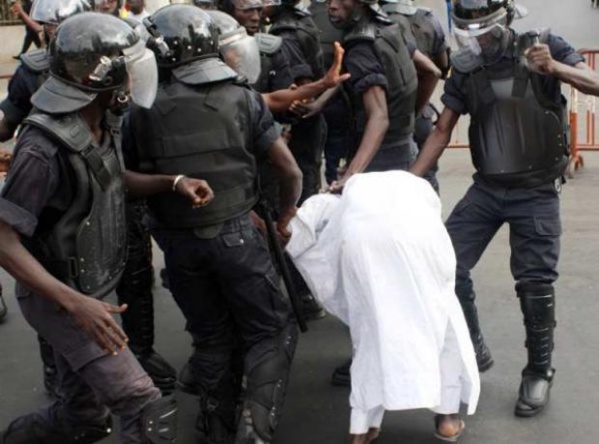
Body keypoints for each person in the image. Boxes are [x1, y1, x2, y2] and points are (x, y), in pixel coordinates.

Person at [0, 12, 217, 442]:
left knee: (83, 416)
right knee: (144, 402)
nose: (134, 84)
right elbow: (4, 239)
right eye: (128, 73)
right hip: (63, 298)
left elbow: (109, 178)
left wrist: (172, 183)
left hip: (94, 288)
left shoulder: (100, 122)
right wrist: (76, 305)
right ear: (102, 80)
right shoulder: (41, 148)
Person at [410, 0, 599, 418]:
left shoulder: (544, 46)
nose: (478, 40)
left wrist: (556, 69)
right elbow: (442, 129)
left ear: (508, 19)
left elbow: (594, 82)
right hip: (488, 188)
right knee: (445, 263)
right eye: (470, 32)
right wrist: (409, 181)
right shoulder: (466, 66)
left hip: (536, 189)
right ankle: (472, 346)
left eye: (486, 31)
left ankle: (538, 369)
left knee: (535, 283)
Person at [129, 6, 302, 443]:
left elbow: (124, 181)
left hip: (178, 243)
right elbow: (291, 172)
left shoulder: (140, 110)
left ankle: (216, 423)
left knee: (210, 336)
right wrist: (284, 217)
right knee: (270, 328)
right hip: (239, 234)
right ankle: (256, 426)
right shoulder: (243, 96)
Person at [286, 171, 480, 443]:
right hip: (419, 237)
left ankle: (362, 429)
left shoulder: (333, 202)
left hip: (362, 241)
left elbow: (301, 234)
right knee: (442, 324)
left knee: (371, 332)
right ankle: (447, 419)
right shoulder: (412, 186)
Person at [381, 0, 449, 192]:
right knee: (427, 178)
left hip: (388, 114)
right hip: (422, 110)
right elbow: (443, 66)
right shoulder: (428, 18)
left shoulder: (376, 21)